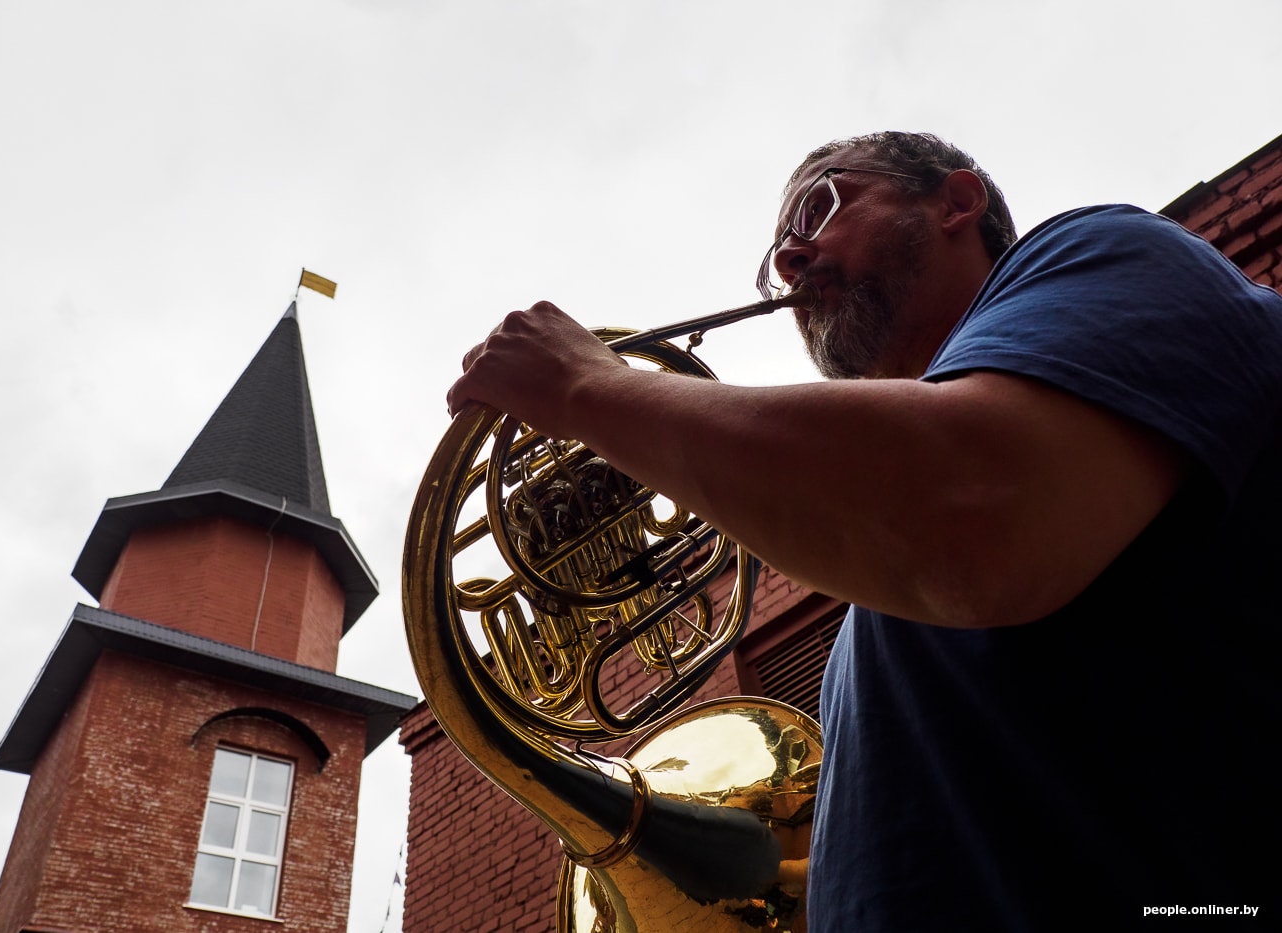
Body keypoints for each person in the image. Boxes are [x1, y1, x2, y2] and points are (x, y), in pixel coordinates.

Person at [447, 132, 1282, 930]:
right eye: (779, 247)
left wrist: (586, 389)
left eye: (819, 208)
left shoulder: (1107, 252)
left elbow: (979, 518)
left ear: (956, 201)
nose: (787, 259)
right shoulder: (865, 616)